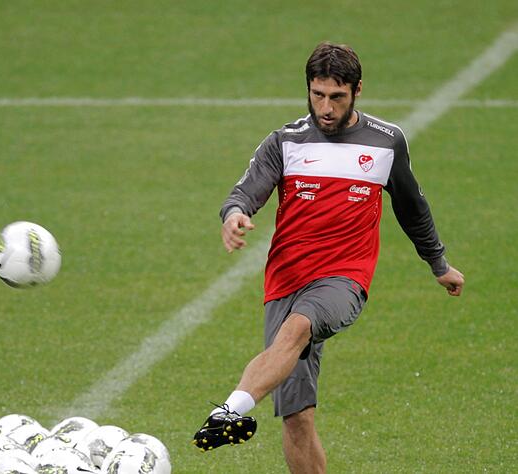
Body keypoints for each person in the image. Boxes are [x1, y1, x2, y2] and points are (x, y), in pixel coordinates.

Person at [192, 41, 465, 473]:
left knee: (298, 327)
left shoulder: (385, 142)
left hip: (343, 279)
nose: (326, 107)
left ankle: (230, 409)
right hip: (285, 281)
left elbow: (413, 208)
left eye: (336, 97)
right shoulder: (285, 141)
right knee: (298, 419)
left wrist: (439, 265)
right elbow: (247, 190)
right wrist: (235, 214)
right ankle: (237, 410)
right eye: (317, 95)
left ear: (358, 91)